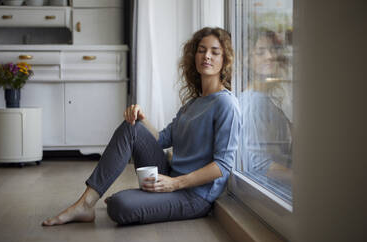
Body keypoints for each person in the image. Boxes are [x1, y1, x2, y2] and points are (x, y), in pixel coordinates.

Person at [42, 27, 241, 226]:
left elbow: (223, 165)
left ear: (225, 60)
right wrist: (141, 117)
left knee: (119, 205)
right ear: (194, 55)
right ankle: (86, 204)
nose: (206, 56)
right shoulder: (192, 104)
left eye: (215, 52)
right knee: (132, 127)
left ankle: (130, 200)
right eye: (201, 50)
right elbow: (161, 139)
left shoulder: (226, 104)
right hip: (170, 176)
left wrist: (175, 183)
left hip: (195, 196)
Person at [239, 29, 292, 187]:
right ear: (248, 60)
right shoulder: (256, 102)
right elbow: (260, 165)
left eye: (272, 50)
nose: (270, 56)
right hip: (270, 190)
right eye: (260, 52)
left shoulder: (261, 98)